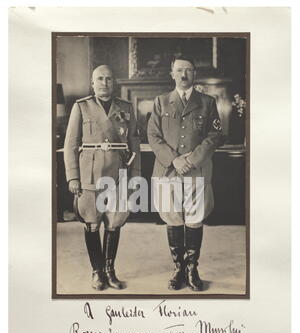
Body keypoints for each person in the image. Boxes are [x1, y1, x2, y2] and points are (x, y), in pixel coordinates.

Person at [147, 56, 225, 292]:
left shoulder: (207, 102)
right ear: (172, 74)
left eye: (188, 70)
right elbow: (153, 135)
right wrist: (175, 159)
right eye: (179, 70)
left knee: (194, 217)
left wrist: (192, 159)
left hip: (196, 171)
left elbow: (216, 135)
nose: (183, 75)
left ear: (194, 74)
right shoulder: (161, 102)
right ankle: (178, 268)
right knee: (172, 217)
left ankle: (192, 268)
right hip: (168, 170)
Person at [64, 65, 140, 291]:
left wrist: (135, 177)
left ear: (113, 82)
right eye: (100, 79)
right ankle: (97, 271)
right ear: (92, 82)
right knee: (91, 223)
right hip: (90, 175)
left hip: (118, 174)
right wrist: (72, 177)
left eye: (108, 78)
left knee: (114, 223)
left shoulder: (126, 107)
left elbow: (134, 143)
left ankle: (110, 270)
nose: (104, 82)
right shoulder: (81, 106)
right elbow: (70, 145)